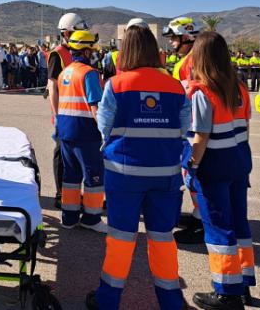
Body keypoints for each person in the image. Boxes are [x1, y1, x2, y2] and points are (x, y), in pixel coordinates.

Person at [86, 25, 190, 310]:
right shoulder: (174, 84)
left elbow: (104, 127)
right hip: (165, 174)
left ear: (126, 51)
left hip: (124, 174)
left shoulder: (116, 85)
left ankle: (108, 300)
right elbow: (184, 127)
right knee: (162, 239)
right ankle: (171, 302)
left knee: (121, 238)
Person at [185, 32, 255, 310]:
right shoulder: (238, 88)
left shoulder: (203, 93)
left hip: (214, 165)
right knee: (240, 223)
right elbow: (245, 128)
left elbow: (201, 138)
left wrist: (192, 166)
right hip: (239, 160)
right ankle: (244, 283)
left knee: (217, 228)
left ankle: (227, 292)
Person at [56, 29, 106, 233]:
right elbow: (96, 106)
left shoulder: (64, 72)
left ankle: (69, 217)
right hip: (86, 132)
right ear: (85, 51)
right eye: (92, 49)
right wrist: (105, 132)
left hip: (66, 130)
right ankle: (92, 218)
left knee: (71, 176)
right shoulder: (89, 73)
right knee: (94, 176)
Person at [162, 17, 205, 244]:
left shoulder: (189, 63)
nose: (171, 43)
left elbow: (185, 101)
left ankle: (203, 223)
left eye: (174, 38)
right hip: (199, 128)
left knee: (193, 176)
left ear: (187, 37)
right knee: (193, 177)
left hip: (194, 130)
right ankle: (199, 217)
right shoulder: (199, 59)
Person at [47, 13, 87, 208]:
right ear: (67, 32)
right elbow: (52, 87)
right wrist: (57, 116)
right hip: (64, 114)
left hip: (80, 114)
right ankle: (60, 193)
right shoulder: (58, 54)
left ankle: (75, 194)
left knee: (78, 155)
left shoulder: (77, 51)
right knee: (62, 155)